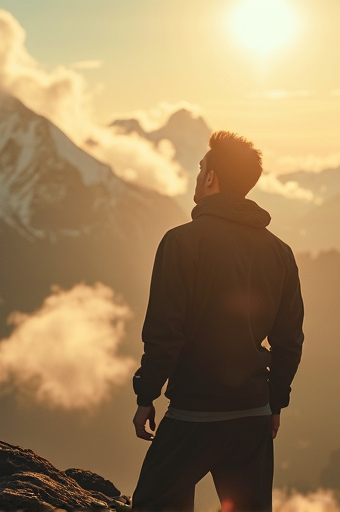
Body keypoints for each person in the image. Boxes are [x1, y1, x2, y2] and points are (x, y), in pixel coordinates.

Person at [131, 131, 304, 512]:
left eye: (200, 168)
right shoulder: (280, 252)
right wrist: (275, 402)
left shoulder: (180, 242)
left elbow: (165, 332)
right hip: (253, 416)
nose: (196, 177)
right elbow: (289, 340)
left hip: (194, 412)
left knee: (154, 504)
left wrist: (147, 395)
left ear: (211, 178)